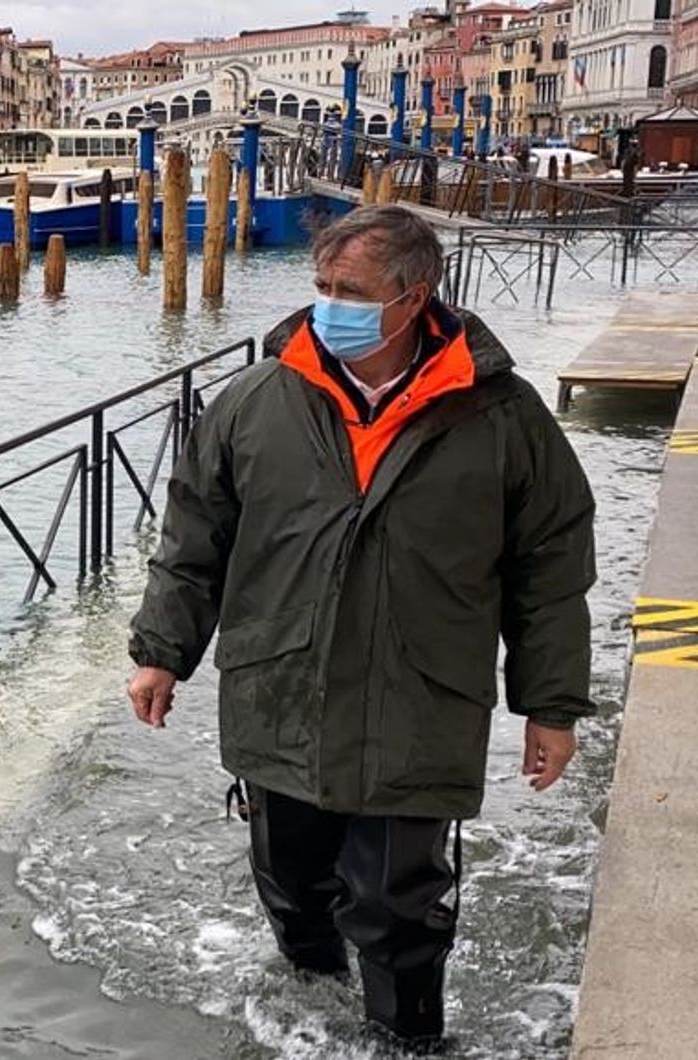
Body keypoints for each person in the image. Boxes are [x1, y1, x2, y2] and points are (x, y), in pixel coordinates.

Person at [126, 205, 596, 1051]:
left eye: (350, 291)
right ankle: (307, 1027)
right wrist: (161, 651)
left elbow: (551, 568)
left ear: (415, 298)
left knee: (398, 908)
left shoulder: (502, 416)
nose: (327, 306)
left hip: (418, 704)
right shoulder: (257, 399)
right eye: (322, 287)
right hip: (280, 689)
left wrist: (551, 706)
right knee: (293, 890)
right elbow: (194, 533)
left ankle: (407, 1041)